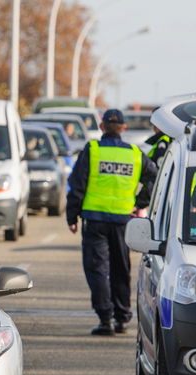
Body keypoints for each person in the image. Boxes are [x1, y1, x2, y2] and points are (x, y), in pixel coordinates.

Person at [65, 108, 157, 336]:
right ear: (124, 128)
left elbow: (77, 183)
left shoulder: (92, 150)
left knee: (97, 270)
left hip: (94, 220)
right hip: (123, 221)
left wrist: (71, 215)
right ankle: (122, 317)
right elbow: (155, 176)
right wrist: (140, 202)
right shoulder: (135, 154)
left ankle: (105, 319)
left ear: (102, 126)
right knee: (120, 268)